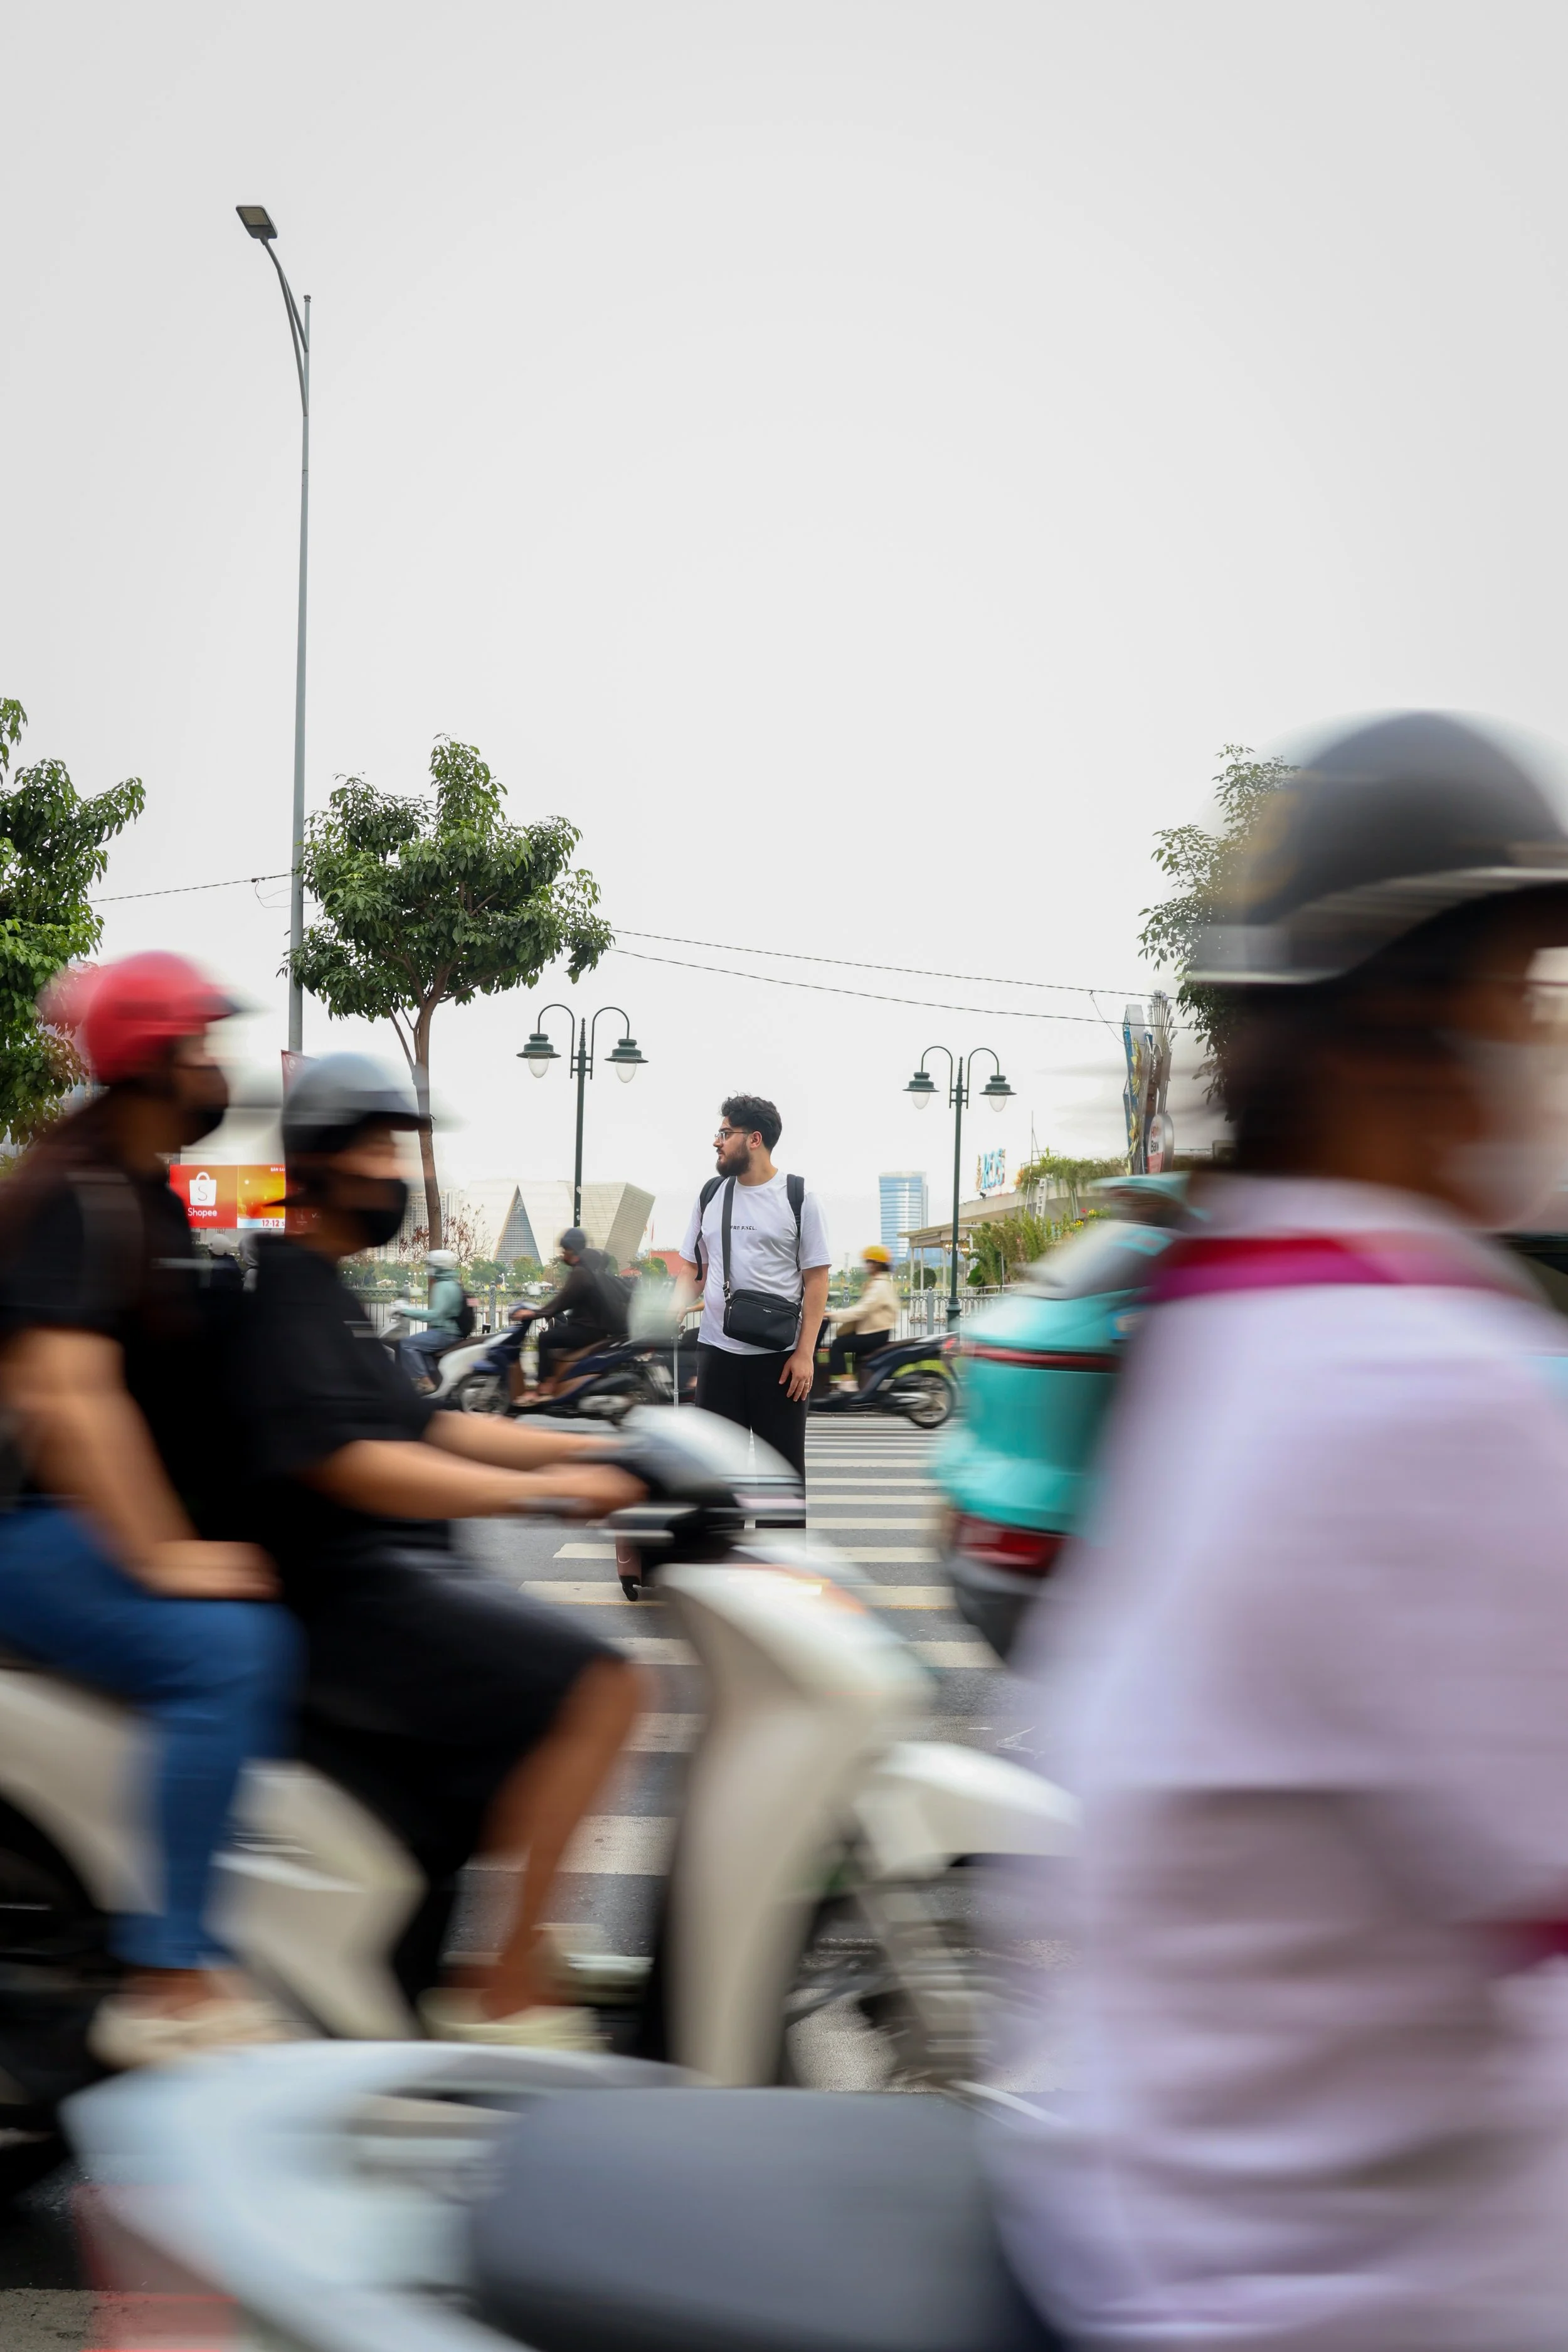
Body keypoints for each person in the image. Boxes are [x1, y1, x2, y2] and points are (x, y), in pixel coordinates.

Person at [994, 711, 1568, 2352]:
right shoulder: (1428, 1382)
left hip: (1143, 2216)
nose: (1536, 1046)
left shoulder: (1228, 1302)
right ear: (1411, 1020)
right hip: (1315, 2293)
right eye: (1521, 995)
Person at [234, 1053, 645, 2046]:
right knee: (605, 1686)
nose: (393, 1170)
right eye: (374, 1148)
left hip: (387, 1578)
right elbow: (355, 1464)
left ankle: (467, 1968)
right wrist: (545, 1490)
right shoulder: (285, 1294)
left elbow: (427, 1426)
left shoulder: (324, 1290)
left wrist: (602, 1448)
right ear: (318, 1167)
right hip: (346, 1597)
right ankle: (507, 1986)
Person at [0, 953, 298, 2067]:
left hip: (68, 1525)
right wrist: (167, 1557)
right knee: (229, 1648)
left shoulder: (137, 1190)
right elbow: (64, 1396)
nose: (218, 1067)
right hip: (25, 1537)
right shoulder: (81, 1198)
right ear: (158, 1063)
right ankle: (171, 1974)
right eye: (203, 1047)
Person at [675, 1094, 829, 1486]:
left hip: (779, 1362)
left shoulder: (799, 1199)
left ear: (754, 1139)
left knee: (780, 1480)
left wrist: (805, 1355)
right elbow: (695, 1268)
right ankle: (716, 1549)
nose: (717, 1141)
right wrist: (669, 1310)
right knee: (712, 1479)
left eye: (725, 1133)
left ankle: (778, 1549)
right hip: (717, 1354)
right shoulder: (710, 1195)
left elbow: (817, 1280)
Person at [523, 1229, 629, 1395]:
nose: (563, 1254)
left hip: (587, 1330)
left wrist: (535, 1314)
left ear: (572, 1250)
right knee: (557, 1332)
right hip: (592, 1328)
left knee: (544, 1339)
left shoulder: (581, 1273)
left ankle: (547, 1384)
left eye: (564, 1250)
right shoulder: (589, 1269)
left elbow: (563, 1300)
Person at [827, 1246, 900, 1386]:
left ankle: (846, 1385)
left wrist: (832, 1316)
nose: (867, 1266)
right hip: (875, 1332)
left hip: (875, 1334)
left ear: (877, 1265)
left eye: (869, 1262)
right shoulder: (881, 1283)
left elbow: (862, 1310)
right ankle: (858, 1383)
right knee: (846, 1341)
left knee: (837, 1346)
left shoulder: (879, 1286)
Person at [398, 1248, 465, 1390]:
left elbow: (435, 1314)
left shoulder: (442, 1286)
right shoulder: (452, 1283)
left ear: (439, 1266)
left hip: (445, 1333)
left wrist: (406, 1311)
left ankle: (425, 1383)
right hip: (449, 1332)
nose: (430, 1268)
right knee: (420, 1344)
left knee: (407, 1344)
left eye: (432, 1265)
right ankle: (431, 1379)